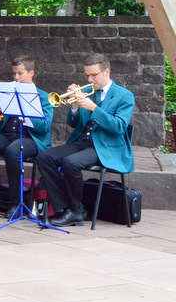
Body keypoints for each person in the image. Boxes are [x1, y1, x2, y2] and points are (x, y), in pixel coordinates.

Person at [35, 53, 134, 227]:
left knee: (71, 162)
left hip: (106, 146)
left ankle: (74, 211)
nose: (90, 79)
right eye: (87, 75)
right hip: (83, 142)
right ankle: (65, 207)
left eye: (94, 75)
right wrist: (74, 106)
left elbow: (119, 127)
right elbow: (74, 124)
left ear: (106, 72)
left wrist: (94, 109)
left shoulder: (124, 96)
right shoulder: (90, 92)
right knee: (44, 157)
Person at [0, 55, 53, 216]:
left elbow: (44, 128)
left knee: (13, 150)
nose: (16, 78)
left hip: (31, 139)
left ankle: (16, 204)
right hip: (7, 135)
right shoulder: (8, 92)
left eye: (20, 73)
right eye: (14, 73)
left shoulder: (43, 97)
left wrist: (26, 113)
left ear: (31, 73)